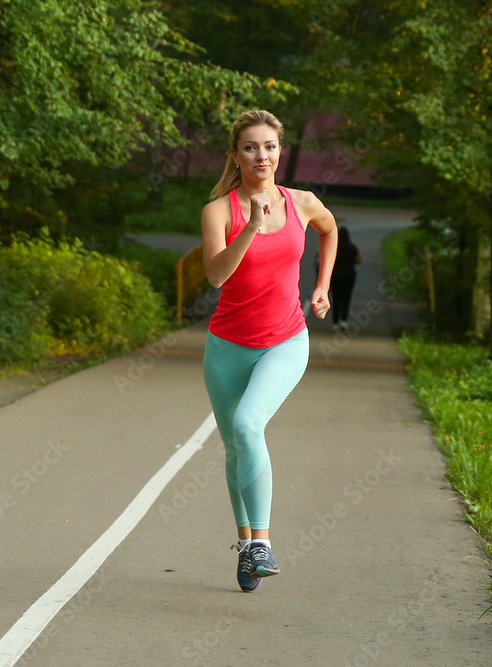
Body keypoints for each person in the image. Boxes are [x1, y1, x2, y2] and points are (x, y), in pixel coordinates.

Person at [201, 110, 337, 592]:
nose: (262, 155)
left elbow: (330, 228)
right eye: (251, 147)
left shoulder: (301, 202)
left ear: (281, 151)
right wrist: (250, 228)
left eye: (270, 146)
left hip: (285, 340)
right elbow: (216, 276)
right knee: (235, 446)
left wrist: (321, 286)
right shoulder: (220, 210)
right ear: (235, 156)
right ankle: (246, 546)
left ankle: (262, 543)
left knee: (246, 424)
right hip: (227, 347)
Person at [330, 225, 361, 331]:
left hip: (335, 275)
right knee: (346, 298)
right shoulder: (352, 247)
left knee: (336, 299)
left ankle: (335, 322)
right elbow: (359, 260)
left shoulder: (334, 247)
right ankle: (343, 320)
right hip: (349, 275)